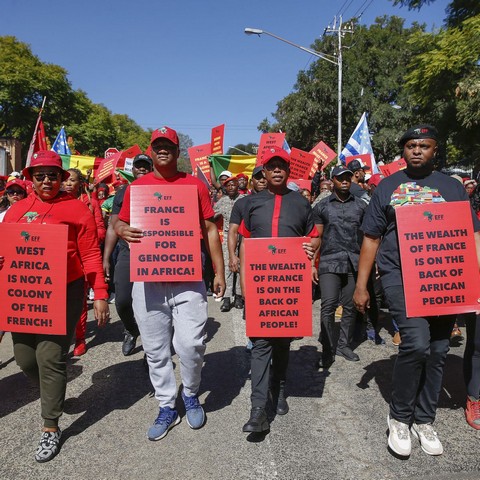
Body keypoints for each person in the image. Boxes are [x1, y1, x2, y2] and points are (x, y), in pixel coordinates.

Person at [353, 125, 480, 457]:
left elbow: (472, 235)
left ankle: (424, 419)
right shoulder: (388, 187)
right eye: (410, 145)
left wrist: (476, 279)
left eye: (424, 145)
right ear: (403, 151)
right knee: (417, 344)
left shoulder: (453, 188)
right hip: (399, 277)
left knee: (439, 350)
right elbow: (371, 238)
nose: (417, 150)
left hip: (445, 279)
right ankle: (399, 416)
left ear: (435, 150)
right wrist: (361, 286)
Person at [114, 127, 225, 441]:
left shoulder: (194, 186)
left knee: (191, 345)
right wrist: (122, 229)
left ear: (178, 152)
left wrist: (219, 272)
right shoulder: (137, 188)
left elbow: (210, 229)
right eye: (158, 146)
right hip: (148, 281)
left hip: (187, 280)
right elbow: (116, 221)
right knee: (155, 350)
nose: (163, 150)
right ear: (151, 151)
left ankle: (190, 393)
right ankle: (166, 404)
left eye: (169, 146)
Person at [0, 150, 109, 462]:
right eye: (40, 175)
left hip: (66, 290)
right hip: (24, 293)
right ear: (31, 178)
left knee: (50, 356)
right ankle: (55, 392)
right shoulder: (17, 210)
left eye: (53, 174)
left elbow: (89, 253)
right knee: (24, 359)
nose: (46, 180)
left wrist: (99, 292)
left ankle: (51, 427)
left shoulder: (77, 209)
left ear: (62, 178)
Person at [239, 147, 319, 433]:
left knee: (283, 343)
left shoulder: (300, 203)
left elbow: (312, 237)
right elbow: (245, 245)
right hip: (260, 285)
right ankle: (258, 409)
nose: (276, 170)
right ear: (263, 170)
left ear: (288, 171)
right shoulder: (251, 203)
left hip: (288, 286)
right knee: (261, 344)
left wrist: (312, 249)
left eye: (281, 166)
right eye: (271, 166)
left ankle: (280, 387)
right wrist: (245, 286)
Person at [312, 165, 367, 367]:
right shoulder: (322, 207)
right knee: (328, 305)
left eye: (347, 178)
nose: (344, 181)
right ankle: (327, 348)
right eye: (340, 178)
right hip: (329, 262)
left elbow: (368, 237)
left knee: (350, 306)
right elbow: (316, 237)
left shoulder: (362, 206)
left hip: (354, 261)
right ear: (332, 181)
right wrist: (312, 264)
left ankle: (343, 345)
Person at [102, 153, 153, 356]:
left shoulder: (160, 190)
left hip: (154, 252)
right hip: (127, 250)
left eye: (145, 166)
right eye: (138, 166)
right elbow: (113, 226)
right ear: (132, 170)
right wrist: (106, 258)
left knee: (152, 304)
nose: (142, 169)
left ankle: (152, 348)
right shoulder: (122, 193)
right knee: (122, 300)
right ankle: (132, 330)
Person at [63, 168, 106, 356]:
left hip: (82, 259)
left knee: (79, 301)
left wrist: (86, 239)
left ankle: (80, 339)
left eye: (72, 180)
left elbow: (101, 230)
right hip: (59, 260)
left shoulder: (91, 203)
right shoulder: (55, 204)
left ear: (80, 183)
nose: (67, 184)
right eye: (65, 180)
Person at [214, 175, 245, 312]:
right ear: (225, 188)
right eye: (229, 185)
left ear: (238, 186)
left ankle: (238, 297)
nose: (231, 187)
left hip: (243, 236)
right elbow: (212, 215)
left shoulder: (244, 200)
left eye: (234, 185)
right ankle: (227, 299)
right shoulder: (222, 201)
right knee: (228, 266)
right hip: (227, 236)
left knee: (240, 266)